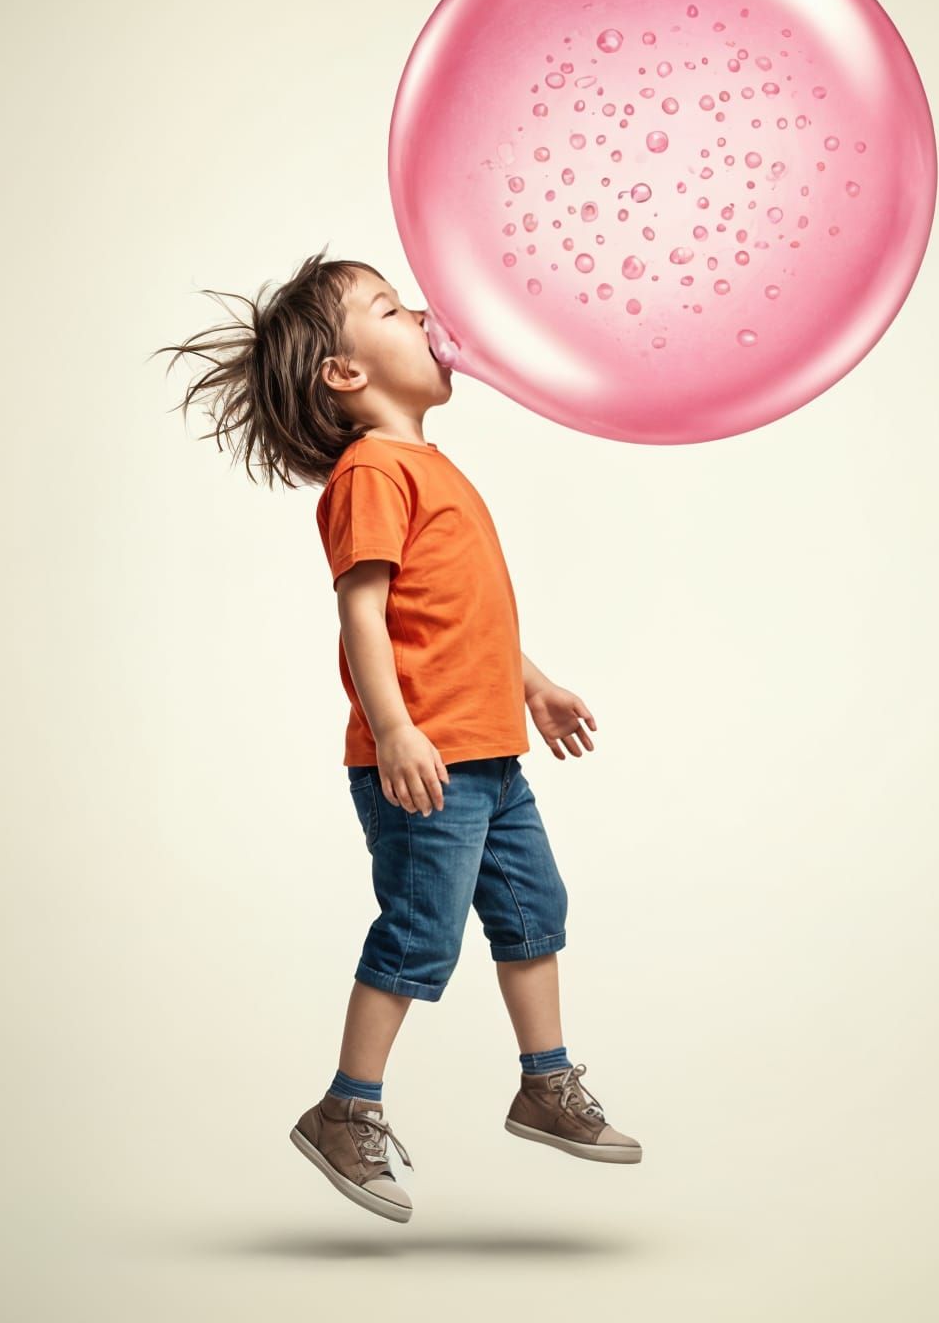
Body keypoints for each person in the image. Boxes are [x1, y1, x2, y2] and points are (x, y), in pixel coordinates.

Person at [154, 246, 641, 1224]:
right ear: (347, 372)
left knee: (536, 909)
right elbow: (364, 614)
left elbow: (463, 619)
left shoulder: (429, 465)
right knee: (420, 937)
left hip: (489, 756)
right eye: (391, 306)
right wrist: (395, 729)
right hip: (425, 764)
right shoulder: (373, 473)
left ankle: (544, 1083)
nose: (424, 312)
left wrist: (532, 685)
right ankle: (346, 1108)